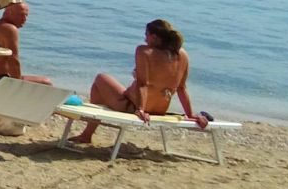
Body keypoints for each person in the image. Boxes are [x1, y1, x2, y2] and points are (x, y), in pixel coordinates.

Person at [67, 19, 209, 143]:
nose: (145, 39)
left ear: (154, 37)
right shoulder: (182, 54)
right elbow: (181, 88)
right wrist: (190, 115)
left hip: (131, 106)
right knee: (107, 86)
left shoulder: (144, 51)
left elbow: (143, 84)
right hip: (159, 110)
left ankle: (87, 134)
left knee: (100, 79)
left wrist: (140, 109)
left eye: (146, 35)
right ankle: (86, 135)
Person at [0, 1, 48, 86]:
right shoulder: (9, 29)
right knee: (46, 82)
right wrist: (17, 84)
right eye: (21, 15)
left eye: (26, 16)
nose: (24, 19)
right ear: (8, 12)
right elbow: (13, 60)